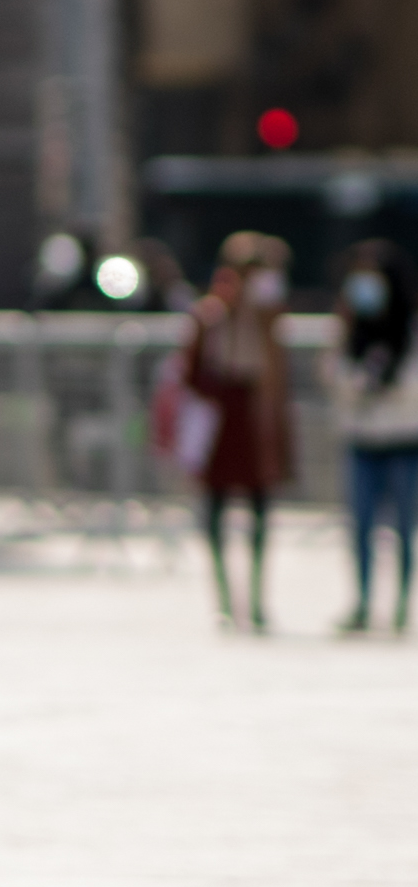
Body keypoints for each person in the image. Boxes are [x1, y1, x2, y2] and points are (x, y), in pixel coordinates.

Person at [181, 231, 294, 631]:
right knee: (214, 511)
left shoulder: (267, 316)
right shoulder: (212, 314)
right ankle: (225, 597)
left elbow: (277, 371)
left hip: (255, 414)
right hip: (221, 415)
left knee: (260, 510)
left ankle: (258, 598)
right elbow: (190, 371)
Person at [330, 240, 418, 634]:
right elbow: (333, 372)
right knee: (361, 526)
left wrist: (392, 384)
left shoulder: (410, 324)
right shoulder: (351, 325)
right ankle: (363, 602)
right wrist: (357, 384)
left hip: (403, 438)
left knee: (403, 527)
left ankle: (401, 604)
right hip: (362, 438)